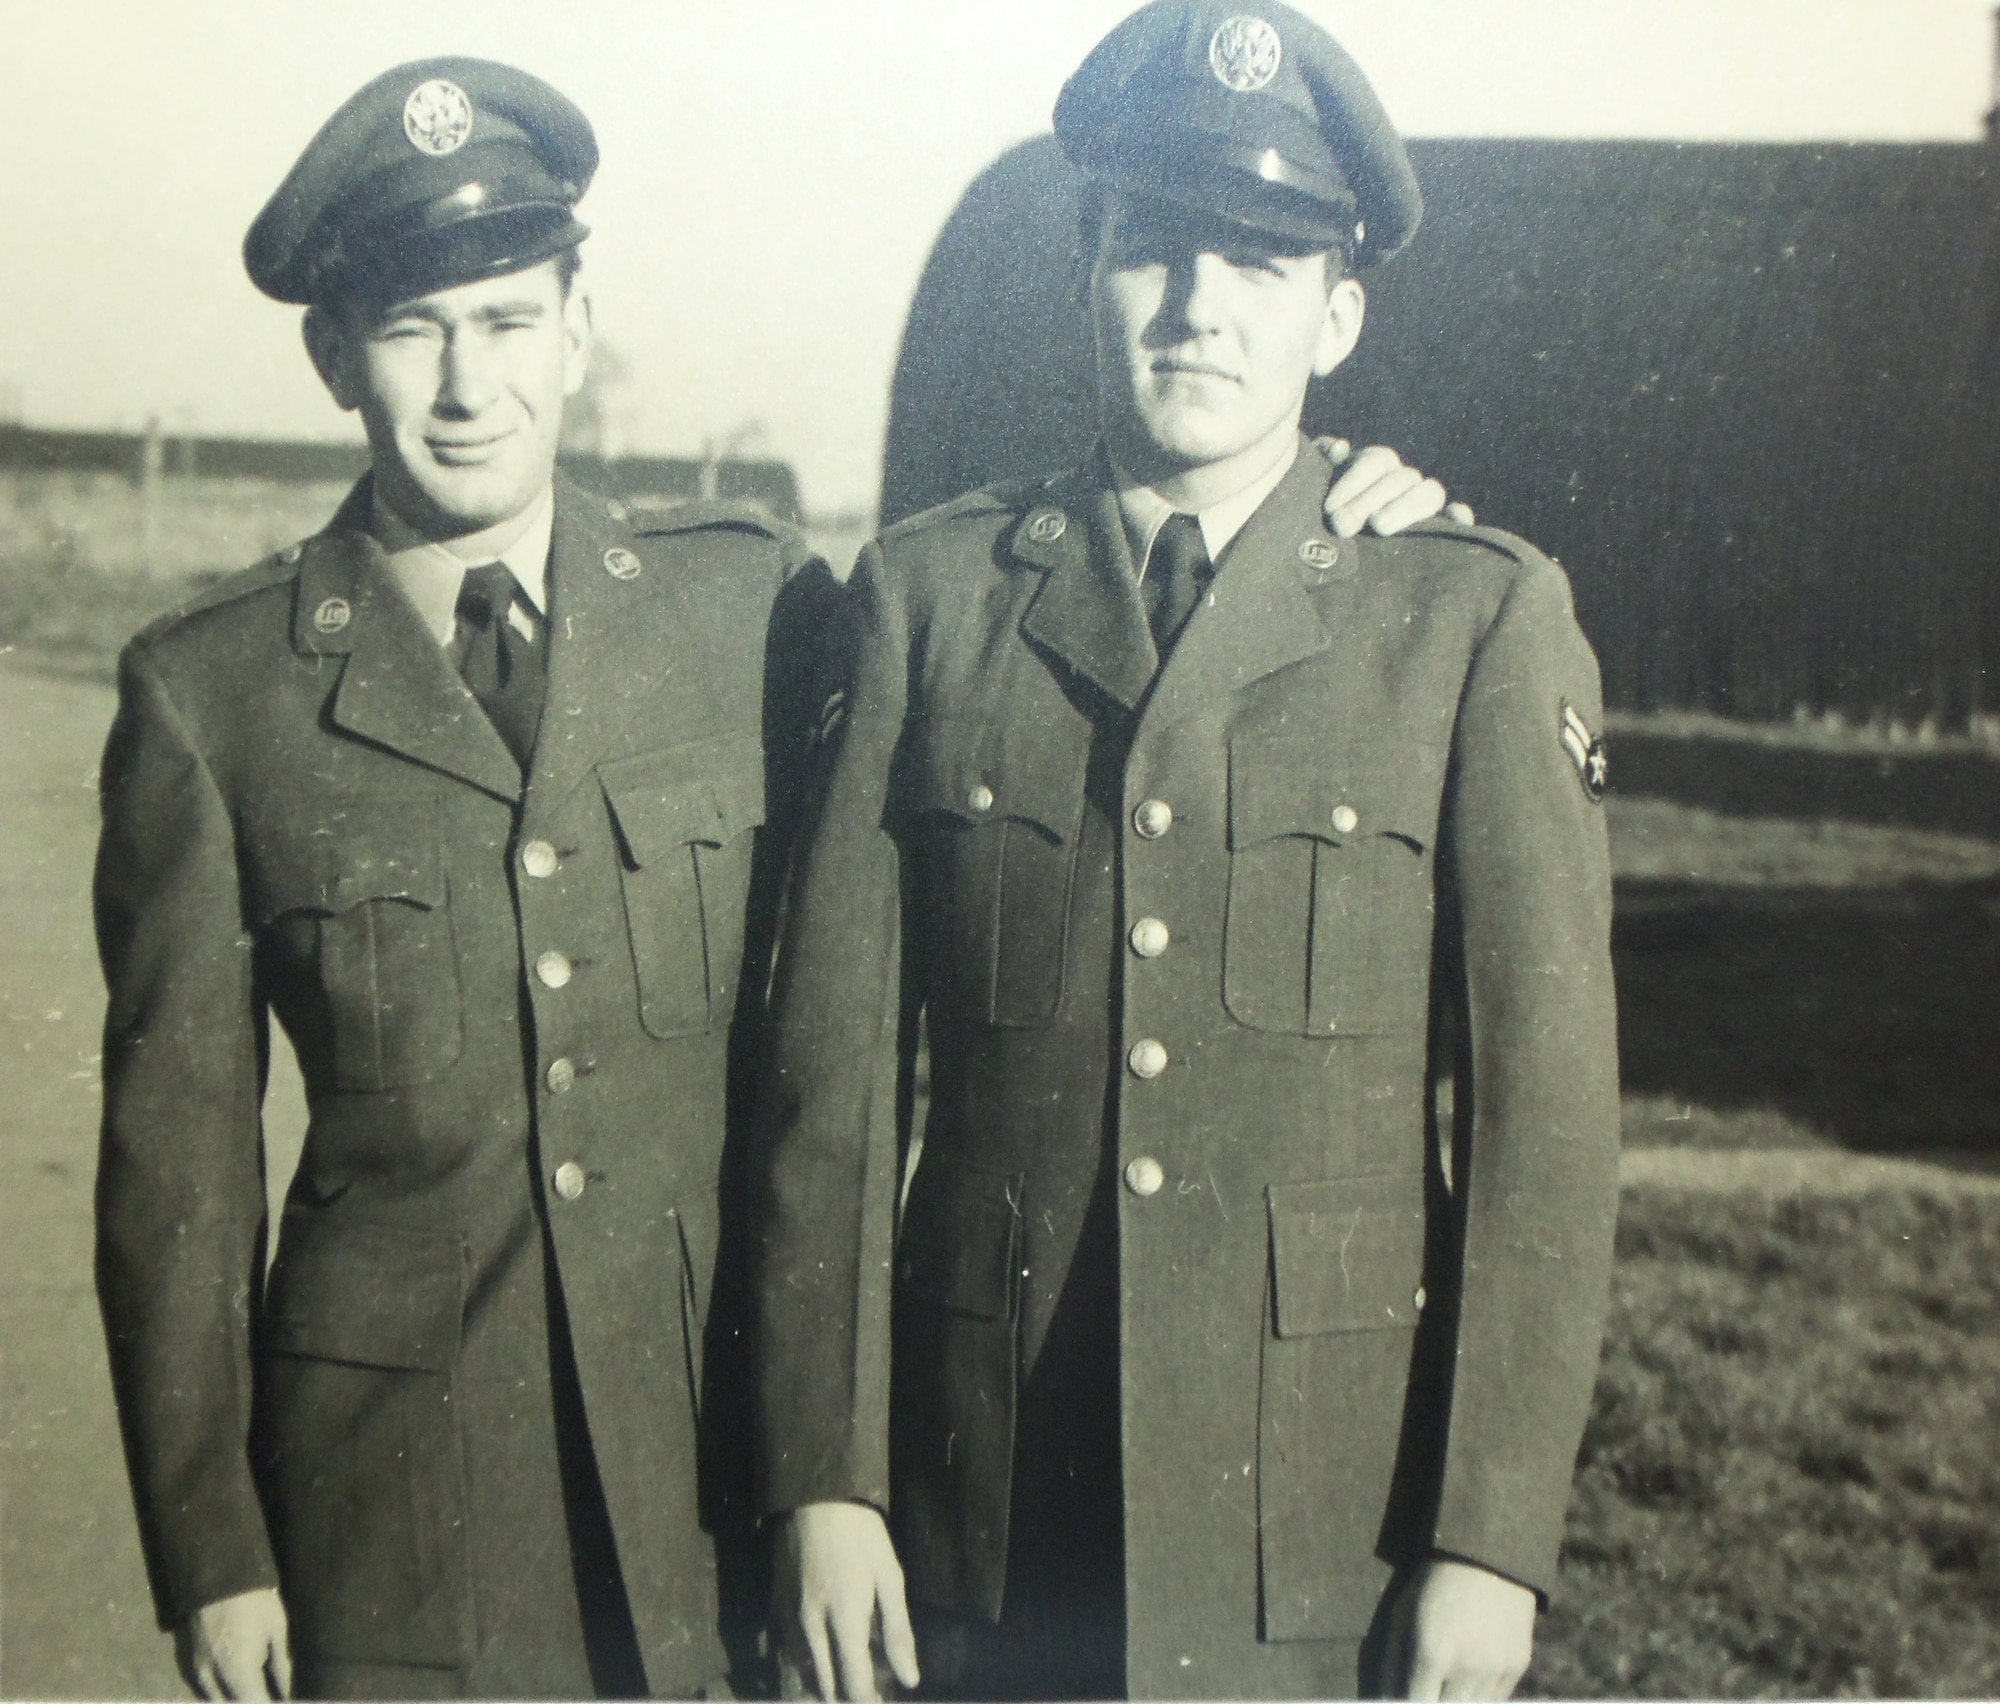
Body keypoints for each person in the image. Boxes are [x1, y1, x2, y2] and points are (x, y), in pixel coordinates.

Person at [749, 4, 1622, 1699]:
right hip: (978, 1502)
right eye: (1155, 248)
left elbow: (1546, 1127)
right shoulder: (931, 604)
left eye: (1264, 262)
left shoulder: (1463, 621)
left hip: (1320, 1519)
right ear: (1088, 267)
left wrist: (1489, 1537)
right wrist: (823, 1474)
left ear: (1339, 314)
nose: (1200, 305)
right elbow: (828, 1093)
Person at [92, 57, 828, 1699]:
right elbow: (177, 1181)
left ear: (578, 326)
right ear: (332, 352)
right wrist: (213, 1554)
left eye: (505, 320)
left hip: (712, 1480)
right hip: (392, 1511)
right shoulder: (215, 696)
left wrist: (1352, 496)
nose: (464, 384)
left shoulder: (748, 615)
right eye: (414, 328)